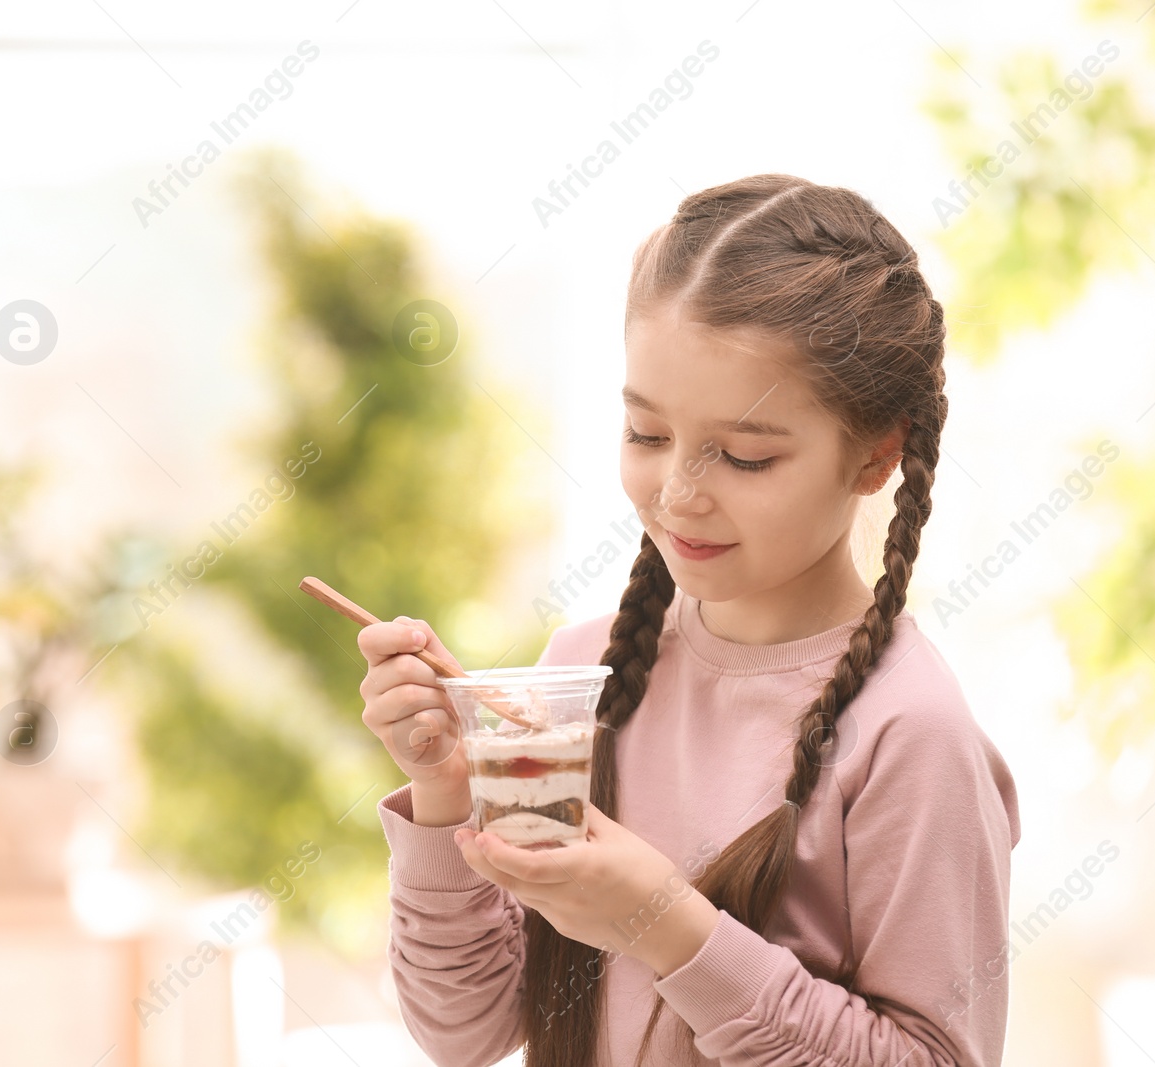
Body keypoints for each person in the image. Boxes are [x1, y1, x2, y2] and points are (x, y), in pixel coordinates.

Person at [357, 174, 1021, 1067]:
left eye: (744, 456)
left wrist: (664, 925)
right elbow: (466, 1029)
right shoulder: (581, 672)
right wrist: (443, 792)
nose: (676, 495)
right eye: (646, 436)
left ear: (875, 457)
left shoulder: (911, 735)